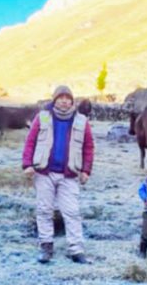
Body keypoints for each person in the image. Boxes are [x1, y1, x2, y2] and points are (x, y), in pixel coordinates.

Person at [22, 85, 95, 264]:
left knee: (72, 212)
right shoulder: (43, 117)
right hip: (44, 172)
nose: (64, 101)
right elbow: (30, 141)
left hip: (69, 174)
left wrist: (86, 170)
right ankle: (46, 246)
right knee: (44, 210)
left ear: (72, 101)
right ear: (54, 100)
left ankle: (76, 249)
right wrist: (27, 164)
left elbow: (88, 147)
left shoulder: (81, 121)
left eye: (67, 98)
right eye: (60, 97)